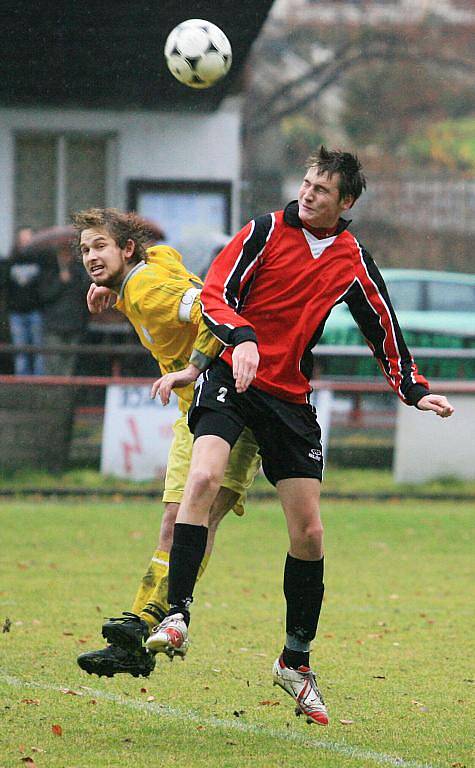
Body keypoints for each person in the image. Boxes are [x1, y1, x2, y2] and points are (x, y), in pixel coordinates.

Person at [144, 147, 454, 726]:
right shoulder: (263, 230)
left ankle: (295, 662)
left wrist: (412, 388)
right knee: (205, 476)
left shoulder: (352, 258)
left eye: (322, 190)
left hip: (289, 397)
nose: (308, 194)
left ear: (346, 202)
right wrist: (241, 338)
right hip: (233, 378)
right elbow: (216, 292)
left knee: (309, 532)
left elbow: (382, 325)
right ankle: (176, 614)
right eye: (307, 183)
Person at [73, 208, 260, 679]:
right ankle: (140, 624)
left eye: (100, 247)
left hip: (233, 400)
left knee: (202, 515)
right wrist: (111, 292)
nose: (91, 257)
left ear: (126, 249)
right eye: (85, 250)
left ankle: (154, 618)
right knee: (173, 520)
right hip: (192, 407)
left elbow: (207, 308)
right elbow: (166, 262)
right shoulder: (147, 269)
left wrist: (194, 365)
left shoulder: (146, 287)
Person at [40, 245, 90, 375]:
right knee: (54, 360)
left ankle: (66, 389)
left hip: (74, 323)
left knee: (70, 361)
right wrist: (60, 282)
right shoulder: (49, 272)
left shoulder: (79, 272)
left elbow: (84, 293)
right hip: (55, 324)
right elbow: (44, 295)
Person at [6, 226, 45, 375]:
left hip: (35, 310)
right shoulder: (12, 260)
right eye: (23, 238)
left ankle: (39, 382)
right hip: (16, 312)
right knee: (20, 350)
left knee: (38, 349)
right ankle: (22, 382)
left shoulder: (40, 259)